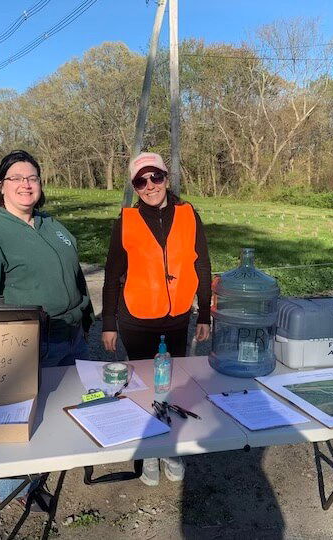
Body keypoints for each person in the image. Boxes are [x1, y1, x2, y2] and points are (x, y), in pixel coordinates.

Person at [0, 149, 94, 505]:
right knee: (19, 418)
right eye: (16, 178)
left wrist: (87, 317)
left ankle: (49, 463)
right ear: (1, 186)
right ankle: (14, 486)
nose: (25, 184)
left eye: (32, 177)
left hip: (71, 336)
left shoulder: (52, 226)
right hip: (28, 343)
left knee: (59, 411)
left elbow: (75, 277)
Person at [101, 152, 212, 486]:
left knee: (172, 384)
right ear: (135, 187)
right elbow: (111, 275)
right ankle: (149, 447)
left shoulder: (189, 215)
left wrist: (204, 313)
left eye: (156, 177)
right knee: (142, 385)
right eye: (141, 181)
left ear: (166, 177)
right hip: (136, 319)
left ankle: (170, 447)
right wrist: (108, 323)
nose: (150, 186)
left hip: (177, 317)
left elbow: (202, 265)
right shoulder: (126, 221)